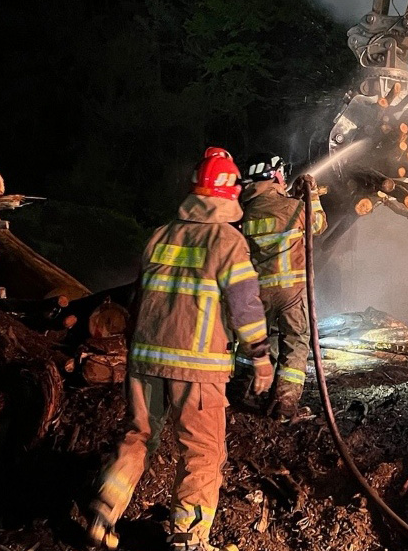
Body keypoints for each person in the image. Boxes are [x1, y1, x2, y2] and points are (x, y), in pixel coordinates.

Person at [88, 147, 274, 551]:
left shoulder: (160, 234)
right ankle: (189, 538)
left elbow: (140, 299)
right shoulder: (227, 241)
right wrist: (259, 356)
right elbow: (245, 305)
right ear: (230, 192)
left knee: (138, 436)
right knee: (203, 452)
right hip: (198, 368)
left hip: (146, 361)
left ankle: (105, 507)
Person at [237, 153, 326, 420]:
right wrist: (313, 196)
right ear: (275, 176)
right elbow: (319, 224)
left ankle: (248, 392)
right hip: (292, 293)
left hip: (257, 294)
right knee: (296, 342)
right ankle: (285, 403)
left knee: (262, 341)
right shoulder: (294, 208)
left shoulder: (245, 212)